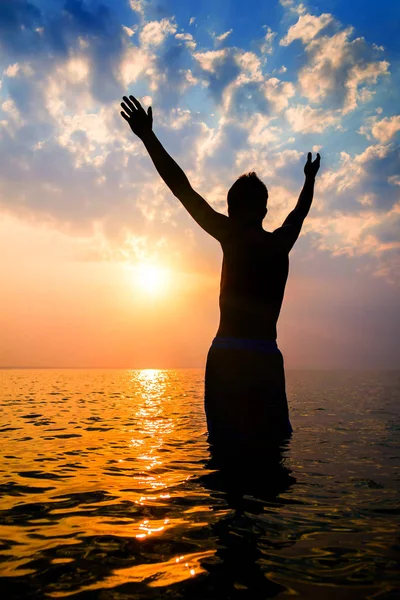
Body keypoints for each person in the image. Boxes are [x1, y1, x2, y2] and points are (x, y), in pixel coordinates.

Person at [120, 95, 321, 447]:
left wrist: (147, 137)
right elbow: (299, 212)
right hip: (265, 353)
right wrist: (309, 179)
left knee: (225, 449)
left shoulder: (229, 234)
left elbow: (182, 189)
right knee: (272, 447)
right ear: (263, 210)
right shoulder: (280, 243)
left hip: (227, 353)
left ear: (231, 209)